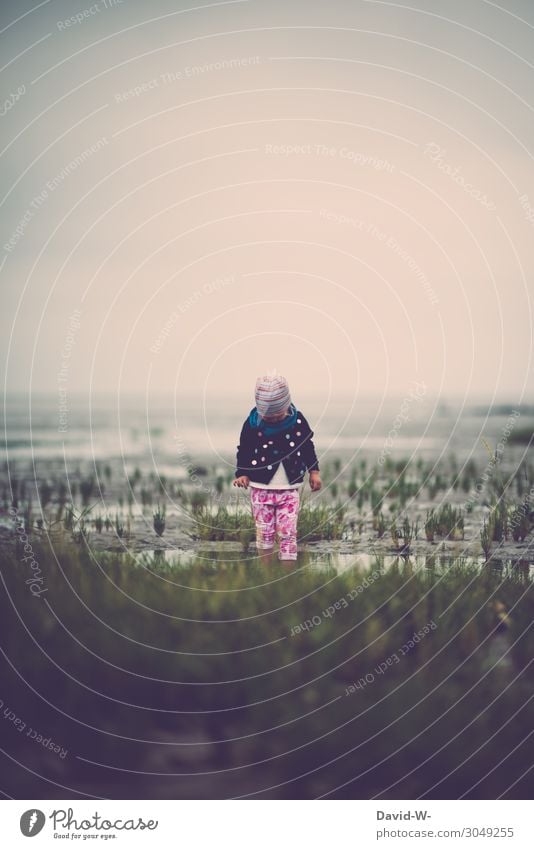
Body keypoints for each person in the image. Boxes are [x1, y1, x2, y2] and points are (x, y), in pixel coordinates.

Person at [233, 372, 321, 561]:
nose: (272, 420)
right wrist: (242, 473)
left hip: (289, 490)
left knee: (288, 533)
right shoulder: (252, 424)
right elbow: (245, 449)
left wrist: (314, 471)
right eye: (268, 416)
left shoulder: (297, 421)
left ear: (287, 404)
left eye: (277, 415)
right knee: (264, 532)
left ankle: (285, 576)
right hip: (260, 489)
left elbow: (307, 446)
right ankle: (267, 574)